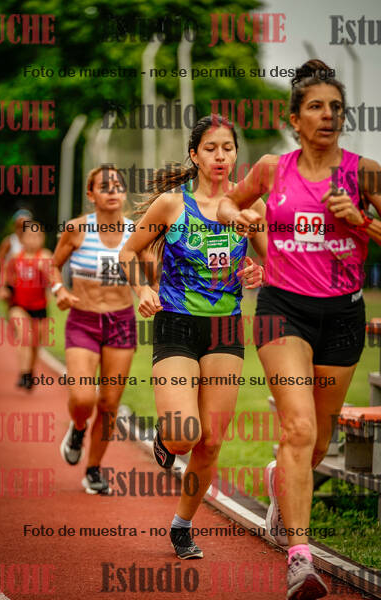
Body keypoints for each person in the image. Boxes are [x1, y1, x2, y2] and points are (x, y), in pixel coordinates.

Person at [217, 59, 381, 599]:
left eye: (336, 107)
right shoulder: (272, 169)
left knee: (318, 441)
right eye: (316, 106)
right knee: (299, 429)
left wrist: (361, 221)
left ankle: (278, 480)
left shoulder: (365, 173)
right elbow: (227, 203)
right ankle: (300, 559)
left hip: (343, 315)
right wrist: (240, 218)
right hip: (282, 310)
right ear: (294, 119)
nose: (328, 114)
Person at [119, 115, 267, 559]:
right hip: (177, 324)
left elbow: (274, 263)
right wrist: (143, 289)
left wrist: (258, 271)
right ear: (194, 155)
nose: (220, 156)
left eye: (228, 148)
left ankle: (182, 526)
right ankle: (166, 438)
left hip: (225, 329)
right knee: (185, 434)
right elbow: (129, 252)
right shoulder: (172, 204)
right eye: (210, 148)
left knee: (212, 442)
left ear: (236, 154)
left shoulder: (252, 209)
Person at [52, 166, 153, 495]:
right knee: (83, 397)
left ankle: (93, 469)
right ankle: (78, 426)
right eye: (104, 186)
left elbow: (152, 274)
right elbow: (54, 265)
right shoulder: (77, 229)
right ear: (91, 194)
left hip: (121, 323)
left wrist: (149, 288)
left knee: (109, 403)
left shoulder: (135, 233)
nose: (112, 191)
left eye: (118, 186)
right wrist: (59, 289)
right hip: (83, 322)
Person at [0, 225, 52, 390]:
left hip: (39, 307)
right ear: (22, 239)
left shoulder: (45, 256)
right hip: (19, 305)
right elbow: (6, 276)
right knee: (25, 337)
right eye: (29, 236)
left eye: (37, 236)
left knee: (35, 344)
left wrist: (45, 270)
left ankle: (30, 371)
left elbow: (54, 280)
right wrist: (4, 289)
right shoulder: (16, 257)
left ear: (42, 239)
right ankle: (23, 373)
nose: (33, 240)